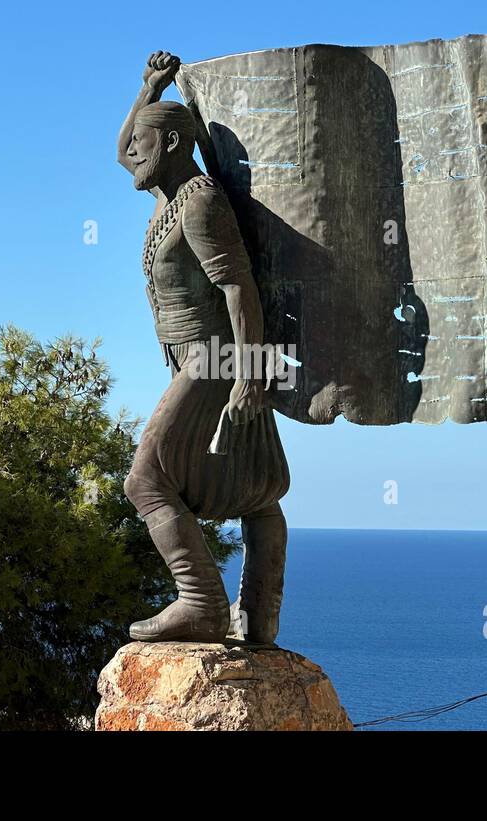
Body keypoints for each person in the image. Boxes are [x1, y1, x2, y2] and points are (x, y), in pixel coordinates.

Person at [116, 50, 290, 644]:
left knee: (144, 481)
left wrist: (248, 371)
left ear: (168, 144)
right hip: (196, 358)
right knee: (255, 482)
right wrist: (150, 88)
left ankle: (202, 604)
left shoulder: (199, 202)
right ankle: (260, 618)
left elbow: (238, 286)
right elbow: (119, 151)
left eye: (141, 141)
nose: (128, 154)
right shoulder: (166, 199)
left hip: (215, 356)